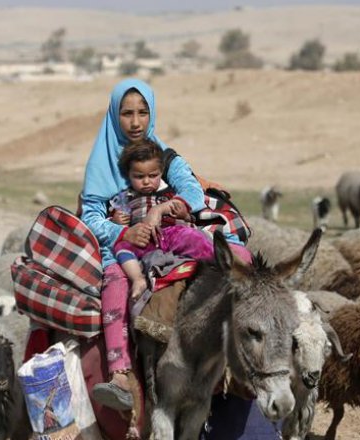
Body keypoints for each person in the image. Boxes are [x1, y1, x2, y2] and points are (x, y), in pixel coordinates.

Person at [80, 79, 255, 437]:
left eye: (142, 112)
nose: (135, 122)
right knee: (115, 284)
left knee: (238, 260)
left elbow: (190, 187)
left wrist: (171, 206)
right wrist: (123, 232)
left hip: (172, 233)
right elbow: (91, 217)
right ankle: (120, 375)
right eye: (126, 113)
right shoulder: (101, 163)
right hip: (127, 246)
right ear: (114, 115)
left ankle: (242, 361)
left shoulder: (164, 154)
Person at [107, 140, 214, 302]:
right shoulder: (124, 198)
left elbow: (191, 218)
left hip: (172, 234)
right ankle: (138, 279)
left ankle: (215, 262)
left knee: (194, 237)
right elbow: (112, 221)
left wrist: (184, 215)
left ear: (161, 172)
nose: (146, 181)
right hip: (144, 240)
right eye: (139, 176)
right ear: (128, 174)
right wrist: (116, 221)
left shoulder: (170, 193)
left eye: (152, 176)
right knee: (121, 247)